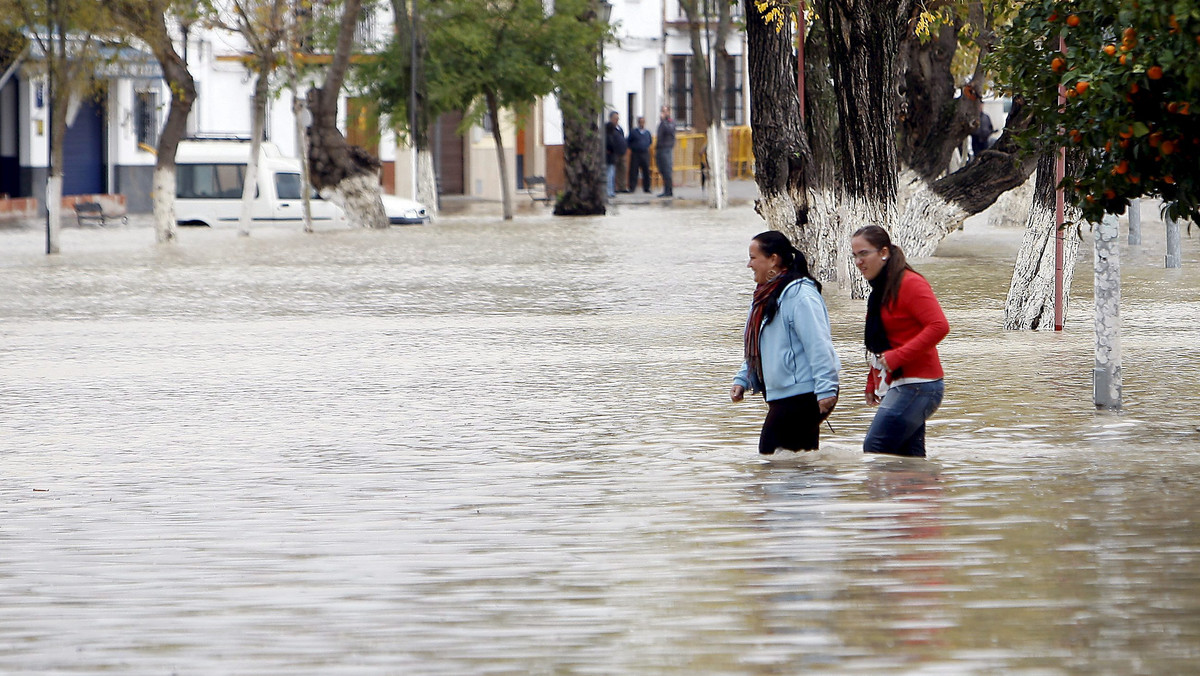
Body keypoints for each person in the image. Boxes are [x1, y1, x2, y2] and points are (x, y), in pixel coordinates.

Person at [731, 231, 841, 455]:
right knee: (794, 463)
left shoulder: (801, 295)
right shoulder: (765, 296)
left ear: (773, 259)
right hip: (783, 394)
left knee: (772, 457)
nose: (748, 265)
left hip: (804, 393)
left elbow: (818, 344)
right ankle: (823, 486)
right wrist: (744, 378)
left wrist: (826, 389)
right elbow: (762, 346)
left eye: (753, 258)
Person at [851, 225, 949, 458]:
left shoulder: (910, 283)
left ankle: (883, 494)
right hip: (902, 384)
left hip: (920, 386)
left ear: (884, 252)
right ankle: (919, 493)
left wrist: (897, 357)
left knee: (876, 448)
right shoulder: (880, 290)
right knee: (909, 458)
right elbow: (884, 340)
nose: (858, 261)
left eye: (864, 253)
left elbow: (939, 326)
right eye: (854, 255)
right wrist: (872, 379)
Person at [626, 116, 653, 194]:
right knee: (634, 170)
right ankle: (632, 187)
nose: (642, 123)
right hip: (635, 153)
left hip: (645, 153)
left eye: (643, 122)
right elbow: (628, 141)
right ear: (638, 123)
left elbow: (650, 142)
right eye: (640, 122)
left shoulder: (647, 132)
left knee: (646, 171)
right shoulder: (634, 132)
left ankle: (647, 188)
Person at [604, 112, 627, 198]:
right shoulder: (608, 130)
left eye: (618, 118)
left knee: (617, 171)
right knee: (610, 173)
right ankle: (610, 190)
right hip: (611, 154)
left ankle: (620, 187)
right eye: (615, 118)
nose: (617, 120)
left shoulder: (619, 129)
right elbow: (609, 143)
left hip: (620, 152)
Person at [654, 106, 675, 198]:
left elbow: (669, 131)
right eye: (662, 111)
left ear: (669, 112)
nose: (663, 113)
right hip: (660, 148)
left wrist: (663, 121)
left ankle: (668, 191)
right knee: (661, 169)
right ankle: (665, 189)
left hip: (666, 148)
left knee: (667, 169)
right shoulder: (662, 123)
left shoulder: (670, 122)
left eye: (665, 111)